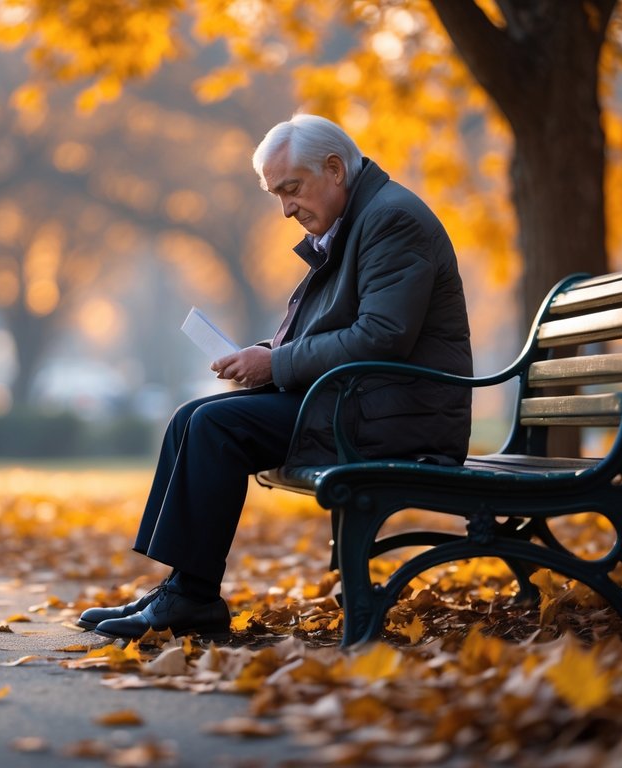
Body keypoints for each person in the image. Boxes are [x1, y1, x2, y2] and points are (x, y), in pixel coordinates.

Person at [81, 114, 473, 640]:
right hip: (362, 400)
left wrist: (274, 365)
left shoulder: (390, 219)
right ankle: (183, 587)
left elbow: (382, 336)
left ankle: (191, 597)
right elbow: (339, 330)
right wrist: (263, 355)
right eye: (277, 195)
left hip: (400, 415)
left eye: (292, 189)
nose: (286, 208)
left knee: (216, 427)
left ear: (334, 169)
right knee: (192, 417)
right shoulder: (357, 219)